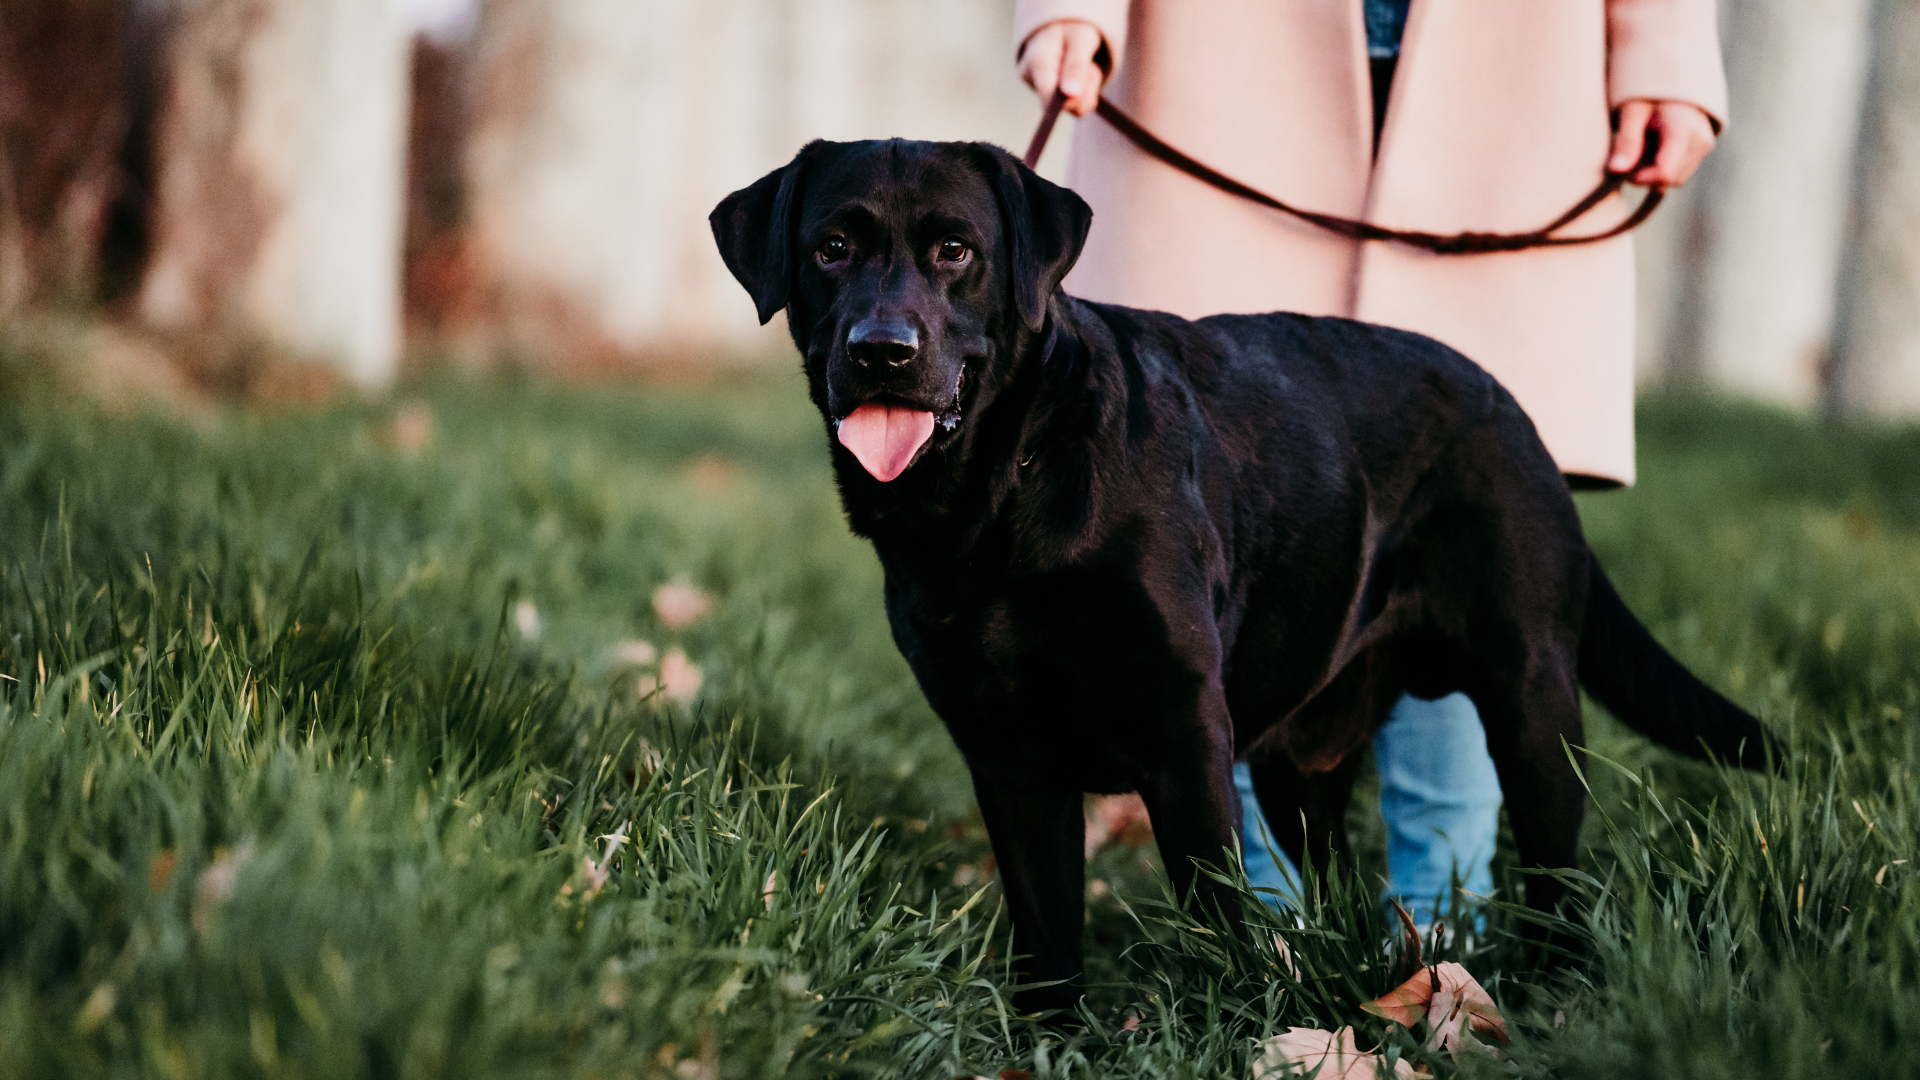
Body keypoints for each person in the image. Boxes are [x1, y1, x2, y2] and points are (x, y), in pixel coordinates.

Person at [1013, 0, 1723, 925]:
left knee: (1460, 550)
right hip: (1216, 58)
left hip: (1517, 66)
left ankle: (1438, 918)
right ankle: (1256, 923)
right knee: (1219, 517)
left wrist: (1662, 47)